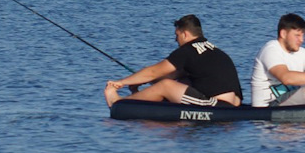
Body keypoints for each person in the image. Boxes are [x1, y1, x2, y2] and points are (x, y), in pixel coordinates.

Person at [104, 15, 244, 108]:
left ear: (185, 34)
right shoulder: (213, 50)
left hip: (216, 105)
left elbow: (153, 72)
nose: (176, 40)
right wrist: (137, 83)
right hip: (234, 104)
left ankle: (119, 103)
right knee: (176, 82)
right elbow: (170, 76)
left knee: (165, 86)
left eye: (176, 36)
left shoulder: (188, 50)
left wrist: (122, 82)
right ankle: (135, 99)